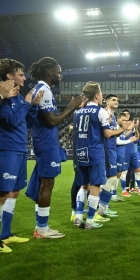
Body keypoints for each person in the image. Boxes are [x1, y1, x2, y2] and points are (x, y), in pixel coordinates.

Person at [26, 57, 84, 239]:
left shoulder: (39, 89)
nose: (61, 76)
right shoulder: (44, 90)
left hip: (43, 141)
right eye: (59, 72)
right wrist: (71, 108)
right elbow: (51, 120)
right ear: (50, 72)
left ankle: (40, 227)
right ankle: (42, 229)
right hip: (46, 141)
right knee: (47, 185)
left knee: (44, 184)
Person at [0, 58, 42, 253]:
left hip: (19, 150)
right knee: (1, 195)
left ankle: (5, 234)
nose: (24, 77)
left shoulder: (15, 96)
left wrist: (30, 104)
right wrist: (27, 103)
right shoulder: (4, 94)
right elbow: (11, 120)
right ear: (9, 76)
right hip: (6, 150)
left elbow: (22, 117)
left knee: (13, 192)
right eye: (20, 74)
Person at [74, 82, 129, 229]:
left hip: (80, 151)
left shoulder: (78, 111)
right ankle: (90, 222)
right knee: (95, 186)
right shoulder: (100, 111)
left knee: (83, 185)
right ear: (97, 95)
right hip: (95, 151)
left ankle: (78, 217)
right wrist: (122, 129)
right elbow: (107, 134)